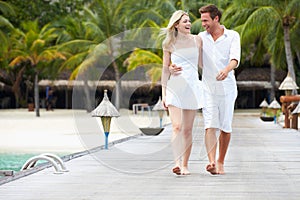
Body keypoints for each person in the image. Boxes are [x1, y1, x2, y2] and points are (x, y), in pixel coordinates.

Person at [170, 4, 241, 175]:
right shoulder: (200, 38)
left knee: (225, 126)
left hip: (228, 88)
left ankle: (221, 161)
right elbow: (187, 56)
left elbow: (235, 59)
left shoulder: (232, 36)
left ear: (216, 19)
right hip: (207, 88)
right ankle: (212, 163)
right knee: (209, 125)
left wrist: (226, 70)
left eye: (205, 20)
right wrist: (172, 67)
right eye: (201, 21)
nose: (203, 24)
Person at [161, 10, 203, 175]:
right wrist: (163, 94)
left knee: (187, 130)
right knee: (176, 127)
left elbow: (203, 64)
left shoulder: (197, 40)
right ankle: (177, 163)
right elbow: (165, 70)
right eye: (184, 21)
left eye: (189, 21)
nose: (188, 24)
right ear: (176, 24)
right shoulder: (168, 44)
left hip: (192, 87)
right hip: (176, 86)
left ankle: (185, 165)